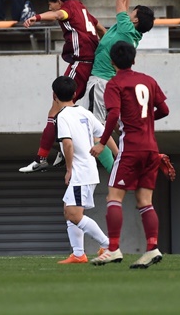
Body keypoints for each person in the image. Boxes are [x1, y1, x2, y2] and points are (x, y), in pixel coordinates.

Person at [89, 41, 170, 269]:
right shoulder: (148, 80)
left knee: (113, 198)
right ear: (134, 59)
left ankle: (113, 249)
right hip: (152, 148)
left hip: (131, 148)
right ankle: (152, 247)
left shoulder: (114, 84)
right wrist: (145, 121)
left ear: (112, 62)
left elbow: (113, 115)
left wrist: (102, 142)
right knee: (145, 202)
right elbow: (164, 110)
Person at [19, 0, 108, 173]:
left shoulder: (67, 9)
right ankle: (62, 148)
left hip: (80, 64)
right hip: (91, 65)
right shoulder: (83, 9)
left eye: (50, 3)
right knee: (71, 111)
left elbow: (58, 14)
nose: (49, 6)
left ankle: (42, 157)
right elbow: (101, 30)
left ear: (59, 1)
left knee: (55, 110)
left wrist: (37, 17)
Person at [50, 76, 113, 264]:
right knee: (68, 211)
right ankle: (78, 254)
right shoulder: (84, 112)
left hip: (80, 172)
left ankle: (108, 245)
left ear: (54, 96)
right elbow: (104, 133)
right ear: (76, 94)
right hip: (87, 170)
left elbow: (67, 144)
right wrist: (118, 155)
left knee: (74, 214)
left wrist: (69, 169)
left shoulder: (61, 117)